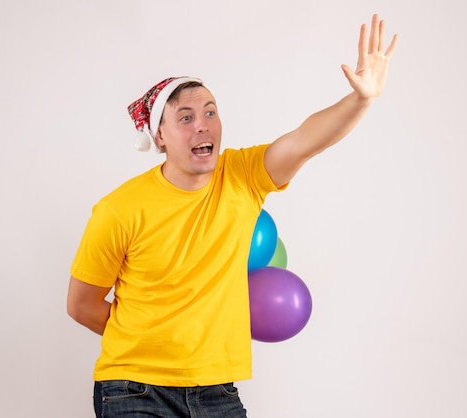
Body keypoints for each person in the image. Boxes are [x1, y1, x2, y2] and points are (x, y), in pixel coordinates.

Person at [67, 13, 398, 418]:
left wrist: (360, 99)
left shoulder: (243, 175)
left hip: (217, 392)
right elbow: (82, 305)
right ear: (159, 136)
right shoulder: (119, 209)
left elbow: (304, 141)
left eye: (210, 112)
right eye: (185, 118)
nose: (202, 126)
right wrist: (152, 343)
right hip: (134, 390)